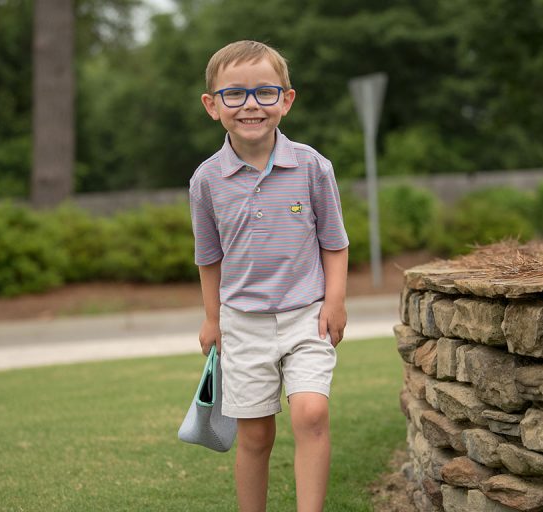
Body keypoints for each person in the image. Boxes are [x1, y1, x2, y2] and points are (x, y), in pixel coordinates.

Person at [189, 40, 349, 512]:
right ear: (212, 106)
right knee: (255, 435)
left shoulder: (313, 166)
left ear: (287, 99)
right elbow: (208, 257)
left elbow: (335, 243)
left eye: (265, 91)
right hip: (242, 323)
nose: (251, 104)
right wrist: (212, 318)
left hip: (307, 315)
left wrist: (335, 301)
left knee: (311, 411)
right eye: (234, 94)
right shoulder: (206, 180)